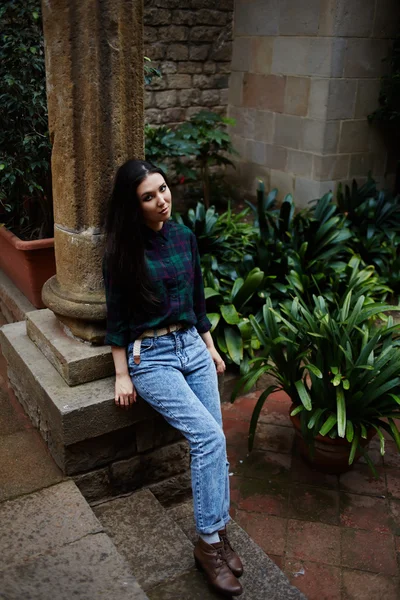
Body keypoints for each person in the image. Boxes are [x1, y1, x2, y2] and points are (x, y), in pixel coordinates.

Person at [103, 159, 243, 597]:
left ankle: (216, 535)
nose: (162, 200)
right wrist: (122, 375)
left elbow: (198, 303)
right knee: (209, 438)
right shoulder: (122, 254)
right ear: (134, 205)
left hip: (191, 347)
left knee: (215, 438)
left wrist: (212, 348)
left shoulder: (184, 237)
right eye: (149, 196)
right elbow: (117, 321)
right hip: (153, 357)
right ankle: (207, 545)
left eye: (163, 190)